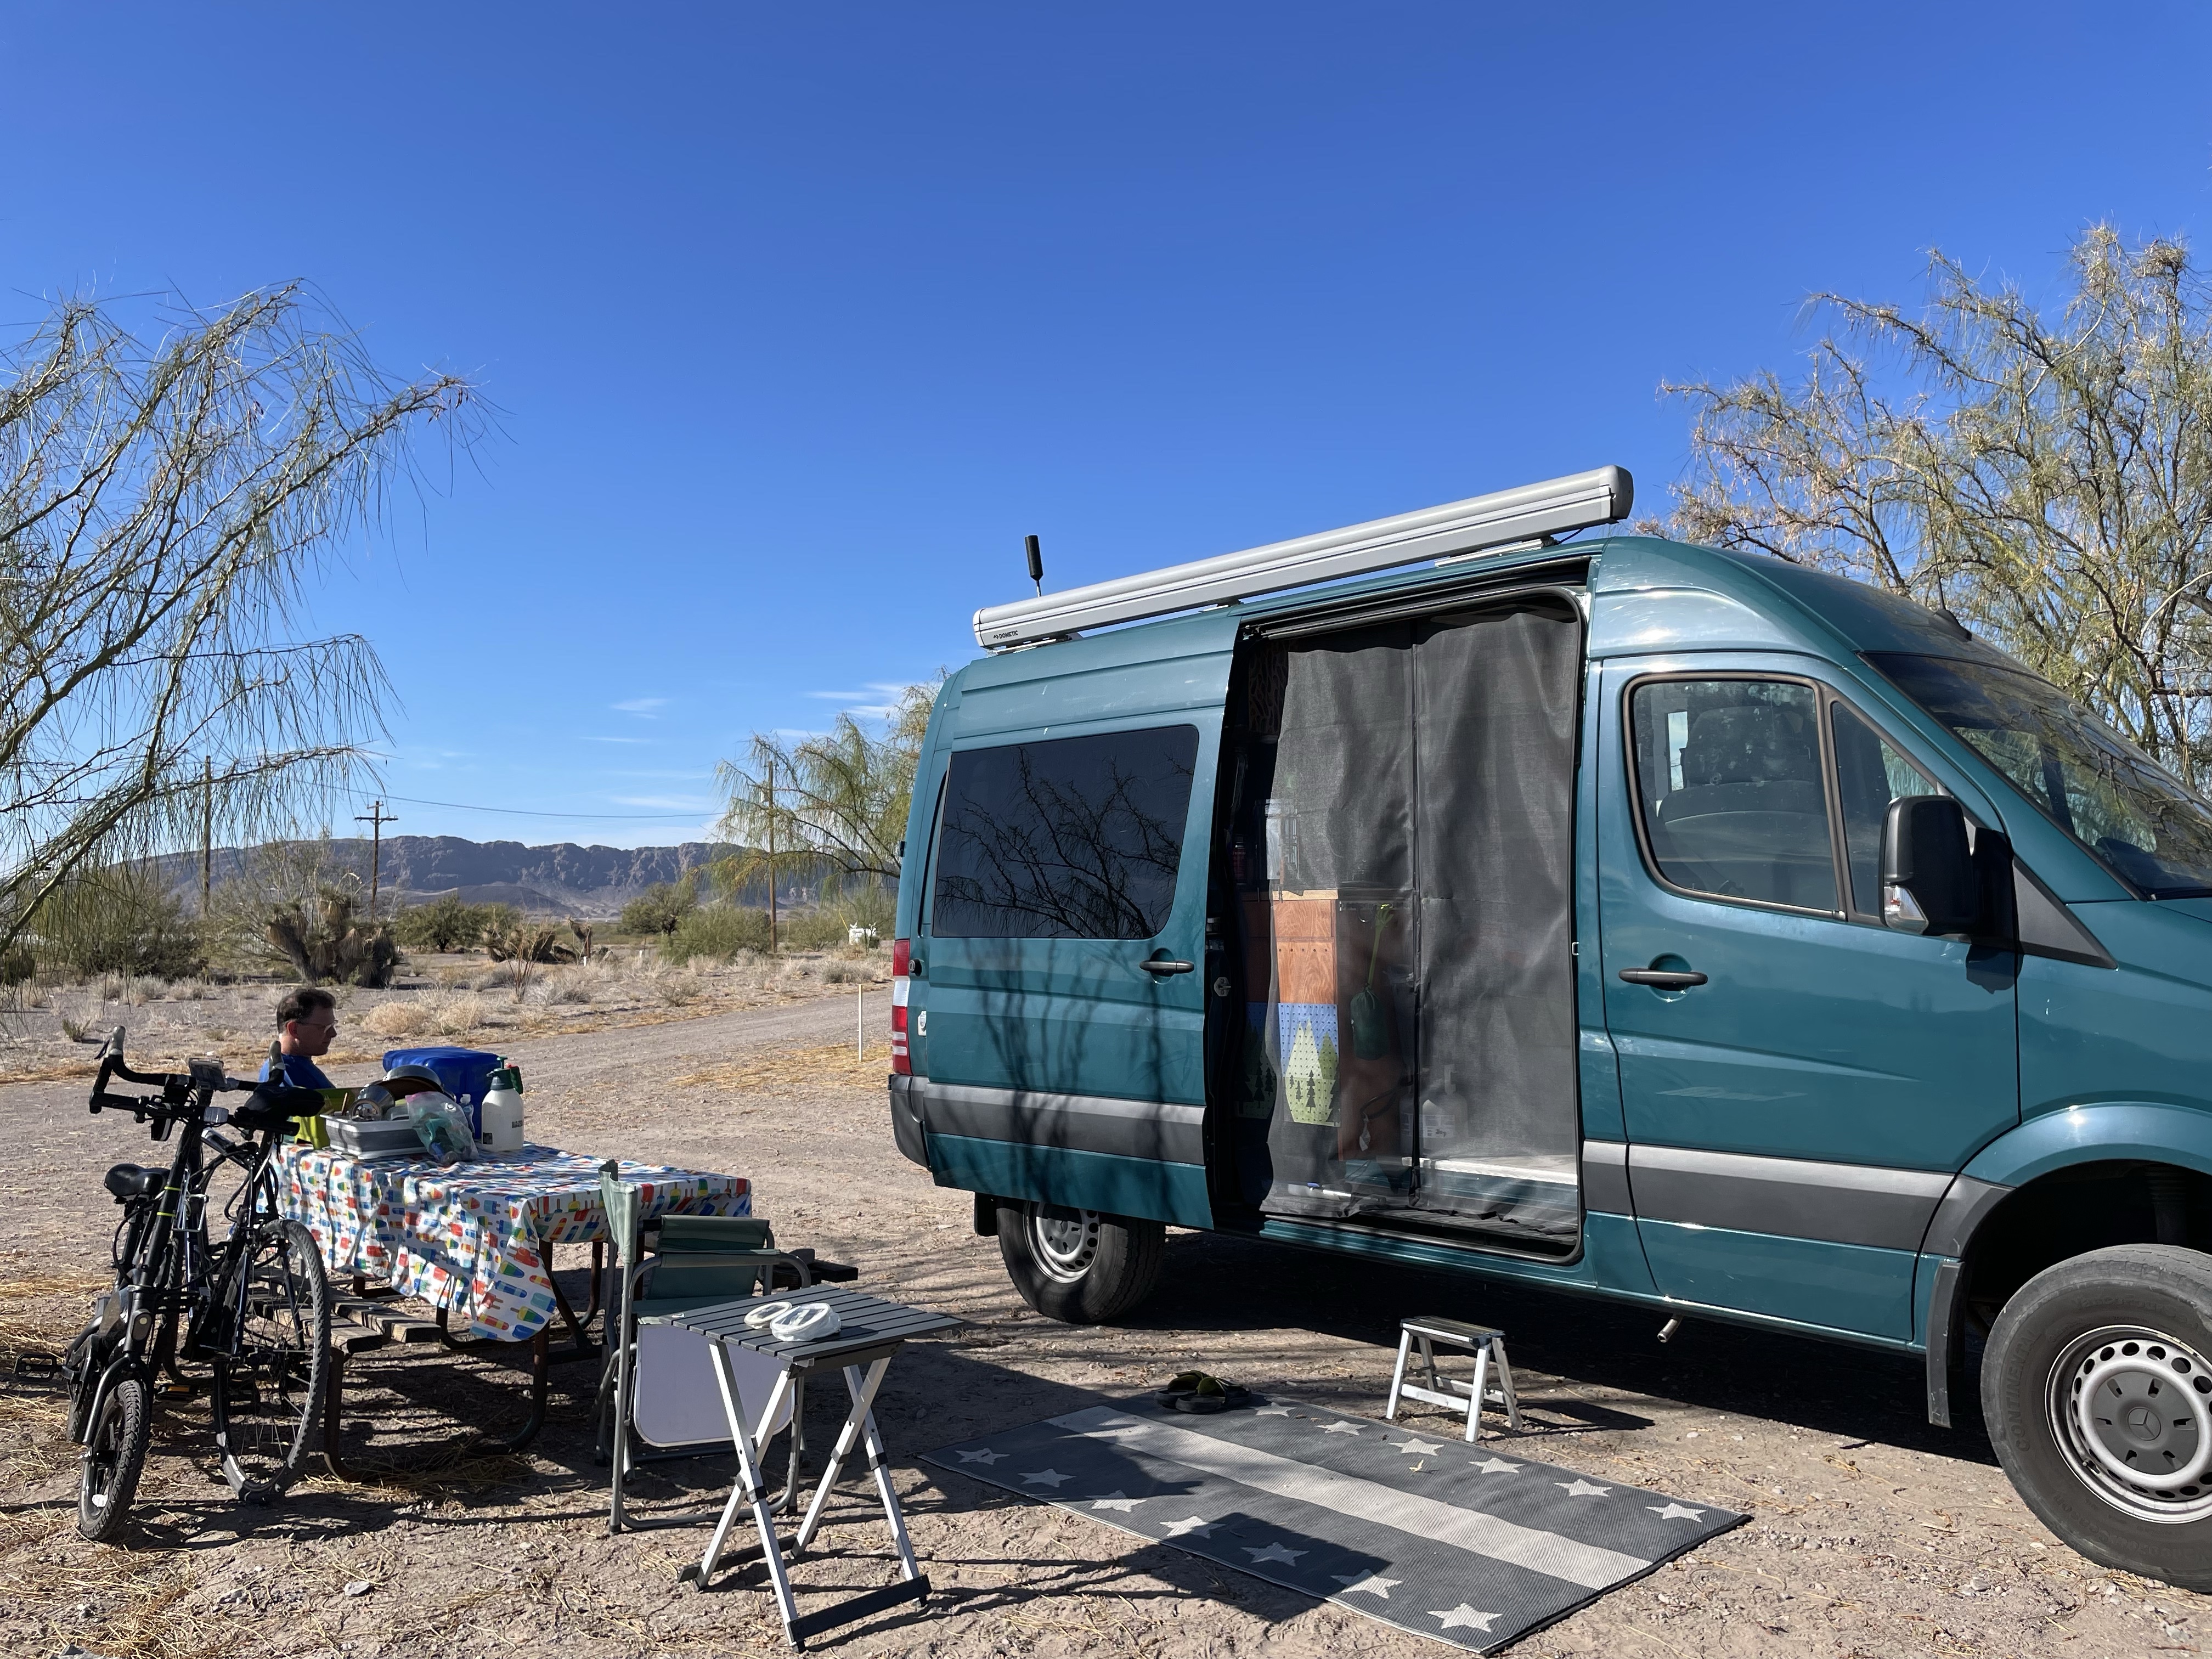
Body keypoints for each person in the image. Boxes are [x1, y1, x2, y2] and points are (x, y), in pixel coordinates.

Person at [261, 986, 339, 1090]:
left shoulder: (295, 1066)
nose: (333, 1034)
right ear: (294, 1029)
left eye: (332, 1026)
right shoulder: (285, 1072)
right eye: (324, 1028)